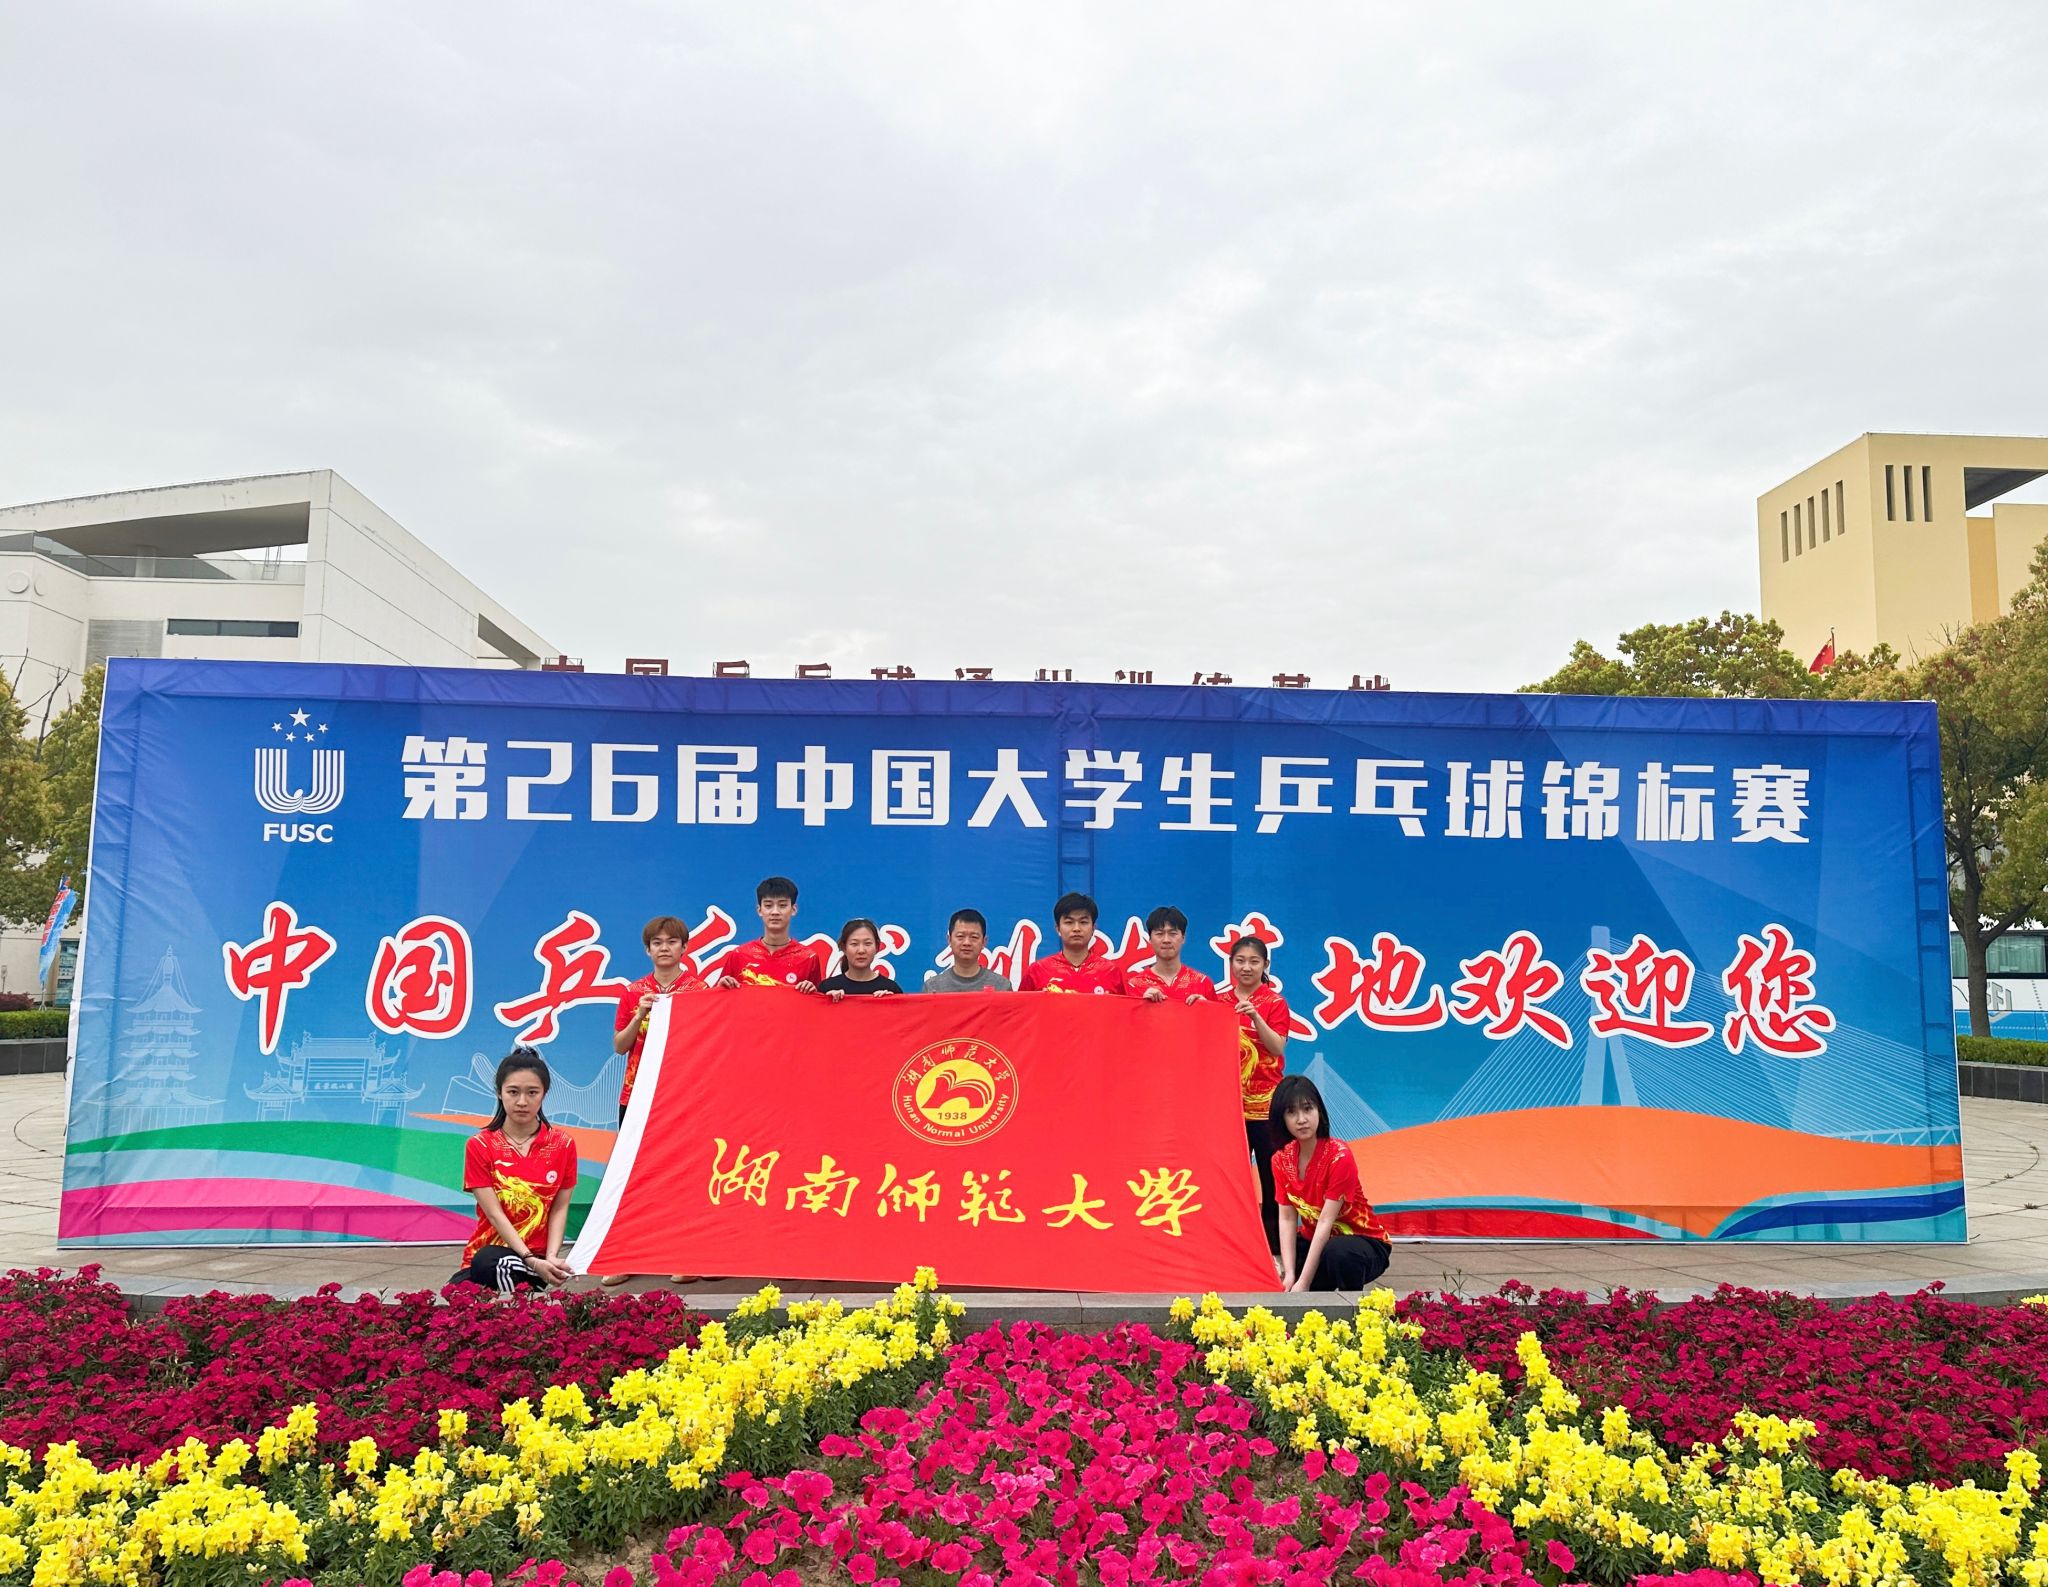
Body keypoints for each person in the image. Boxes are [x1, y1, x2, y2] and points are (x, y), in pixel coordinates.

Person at [453, 1049, 578, 1295]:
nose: (522, 1102)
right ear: (499, 1093)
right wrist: (529, 1260)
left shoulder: (562, 1144)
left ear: (544, 1094)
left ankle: (526, 1297)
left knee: (491, 1271)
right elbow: (494, 1214)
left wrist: (551, 1256)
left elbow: (559, 1208)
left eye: (532, 1092)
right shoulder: (480, 1145)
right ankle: (530, 1296)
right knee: (454, 1301)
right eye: (513, 1092)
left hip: (538, 1259)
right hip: (488, 1257)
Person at [1270, 1074, 1392, 1292]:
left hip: (1362, 1241)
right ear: (1282, 1118)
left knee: (1339, 1253)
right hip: (1317, 1239)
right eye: (1291, 1112)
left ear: (1319, 1111)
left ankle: (1352, 1304)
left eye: (1307, 1108)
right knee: (1281, 1262)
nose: (1301, 1119)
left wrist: (1303, 1283)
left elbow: (1326, 1221)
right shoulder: (1280, 1160)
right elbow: (1287, 1218)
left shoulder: (1339, 1156)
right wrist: (1290, 1275)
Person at [1216, 933, 1290, 1254]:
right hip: (1228, 1107)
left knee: (1272, 1181)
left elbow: (1277, 1047)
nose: (1246, 967)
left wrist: (1255, 1016)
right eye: (1240, 961)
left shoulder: (1274, 1003)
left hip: (1267, 1108)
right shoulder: (1218, 1000)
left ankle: (1272, 1248)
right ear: (1231, 964)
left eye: (1254, 961)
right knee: (1230, 1181)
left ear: (1265, 965)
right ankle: (1231, 1246)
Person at [612, 914, 709, 1123]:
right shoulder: (633, 991)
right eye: (657, 943)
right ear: (648, 950)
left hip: (684, 1094)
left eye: (672, 942)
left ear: (684, 947)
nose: (664, 948)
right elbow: (619, 1047)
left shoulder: (700, 991)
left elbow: (708, 1045)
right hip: (637, 1093)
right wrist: (639, 1016)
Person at [714, 876, 826, 991]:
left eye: (782, 905)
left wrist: (812, 990)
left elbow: (817, 1000)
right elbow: (719, 999)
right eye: (768, 905)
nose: (775, 912)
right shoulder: (739, 955)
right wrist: (721, 987)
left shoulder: (808, 958)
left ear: (793, 909)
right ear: (759, 910)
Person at [1017, 892, 1125, 993]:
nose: (1076, 928)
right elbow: (1021, 1005)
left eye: (1083, 922)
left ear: (1093, 928)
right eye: (1069, 922)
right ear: (1058, 928)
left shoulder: (1110, 971)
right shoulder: (1038, 970)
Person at [1124, 906, 1212, 1002]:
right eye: (1159, 934)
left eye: (1172, 933)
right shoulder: (1134, 985)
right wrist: (1142, 1004)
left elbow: (1218, 1012)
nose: (1166, 940)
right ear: (1150, 939)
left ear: (1183, 937)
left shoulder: (1202, 983)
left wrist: (1206, 1007)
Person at [924, 908, 1014, 993]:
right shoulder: (933, 987)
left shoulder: (1001, 986)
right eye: (960, 936)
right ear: (949, 940)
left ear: (984, 942)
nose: (967, 943)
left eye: (974, 937)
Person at [820, 918, 907, 997]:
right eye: (854, 944)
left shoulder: (890, 989)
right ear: (844, 948)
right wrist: (827, 1002)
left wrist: (890, 1002)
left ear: (877, 947)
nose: (861, 950)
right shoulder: (827, 988)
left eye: (867, 943)